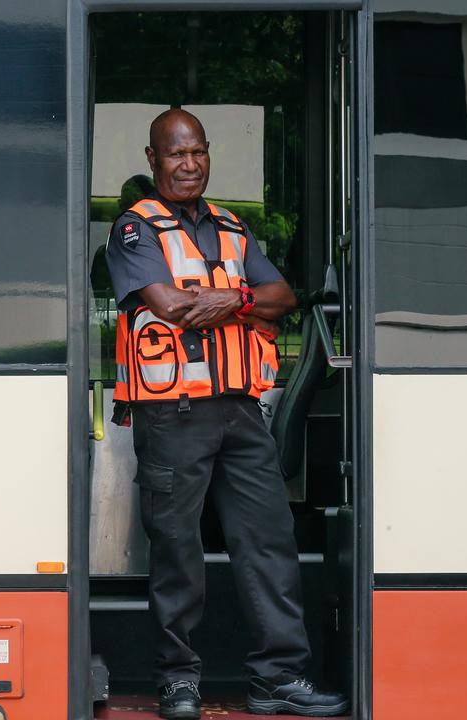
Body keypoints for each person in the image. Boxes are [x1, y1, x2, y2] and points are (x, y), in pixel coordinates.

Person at [103, 108, 349, 719]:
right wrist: (241, 303)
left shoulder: (234, 227)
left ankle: (277, 679)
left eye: (198, 152)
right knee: (178, 552)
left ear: (208, 155)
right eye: (175, 154)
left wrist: (228, 296)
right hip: (173, 413)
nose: (189, 164)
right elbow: (170, 307)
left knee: (269, 542)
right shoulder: (135, 230)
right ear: (153, 159)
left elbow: (284, 297)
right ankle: (178, 682)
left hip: (241, 413)